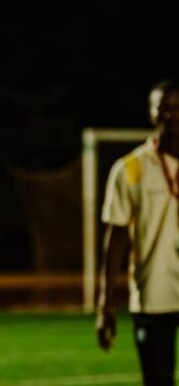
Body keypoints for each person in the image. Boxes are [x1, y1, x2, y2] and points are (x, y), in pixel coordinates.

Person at [97, 79, 179, 386]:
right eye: (164, 109)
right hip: (153, 296)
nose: (172, 116)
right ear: (151, 114)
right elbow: (115, 238)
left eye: (178, 108)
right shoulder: (130, 168)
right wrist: (105, 306)